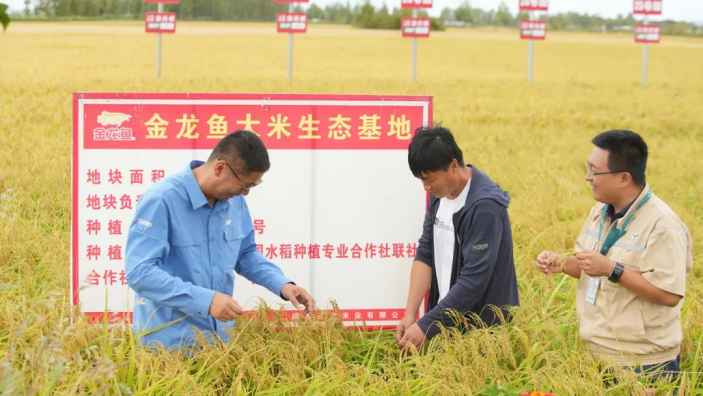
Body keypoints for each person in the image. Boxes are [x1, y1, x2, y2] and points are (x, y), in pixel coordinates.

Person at [126, 130, 316, 350]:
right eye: (245, 186)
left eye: (252, 187)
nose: (245, 194)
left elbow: (245, 254)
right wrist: (206, 300)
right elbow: (140, 272)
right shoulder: (162, 199)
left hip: (219, 345)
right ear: (220, 168)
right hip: (169, 347)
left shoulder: (233, 201)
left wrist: (283, 285)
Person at [535, 130, 692, 385]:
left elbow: (669, 295)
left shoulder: (663, 226)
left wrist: (612, 269)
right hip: (596, 352)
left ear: (624, 178)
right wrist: (561, 263)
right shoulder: (600, 211)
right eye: (588, 168)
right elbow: (590, 267)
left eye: (594, 171)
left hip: (643, 364)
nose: (588, 177)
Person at [396, 125, 520, 351]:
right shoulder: (440, 195)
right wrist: (410, 314)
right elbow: (426, 252)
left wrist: (426, 325)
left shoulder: (484, 207)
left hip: (480, 330)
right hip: (447, 319)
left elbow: (474, 279)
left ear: (453, 165)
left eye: (430, 179)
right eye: (421, 180)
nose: (426, 187)